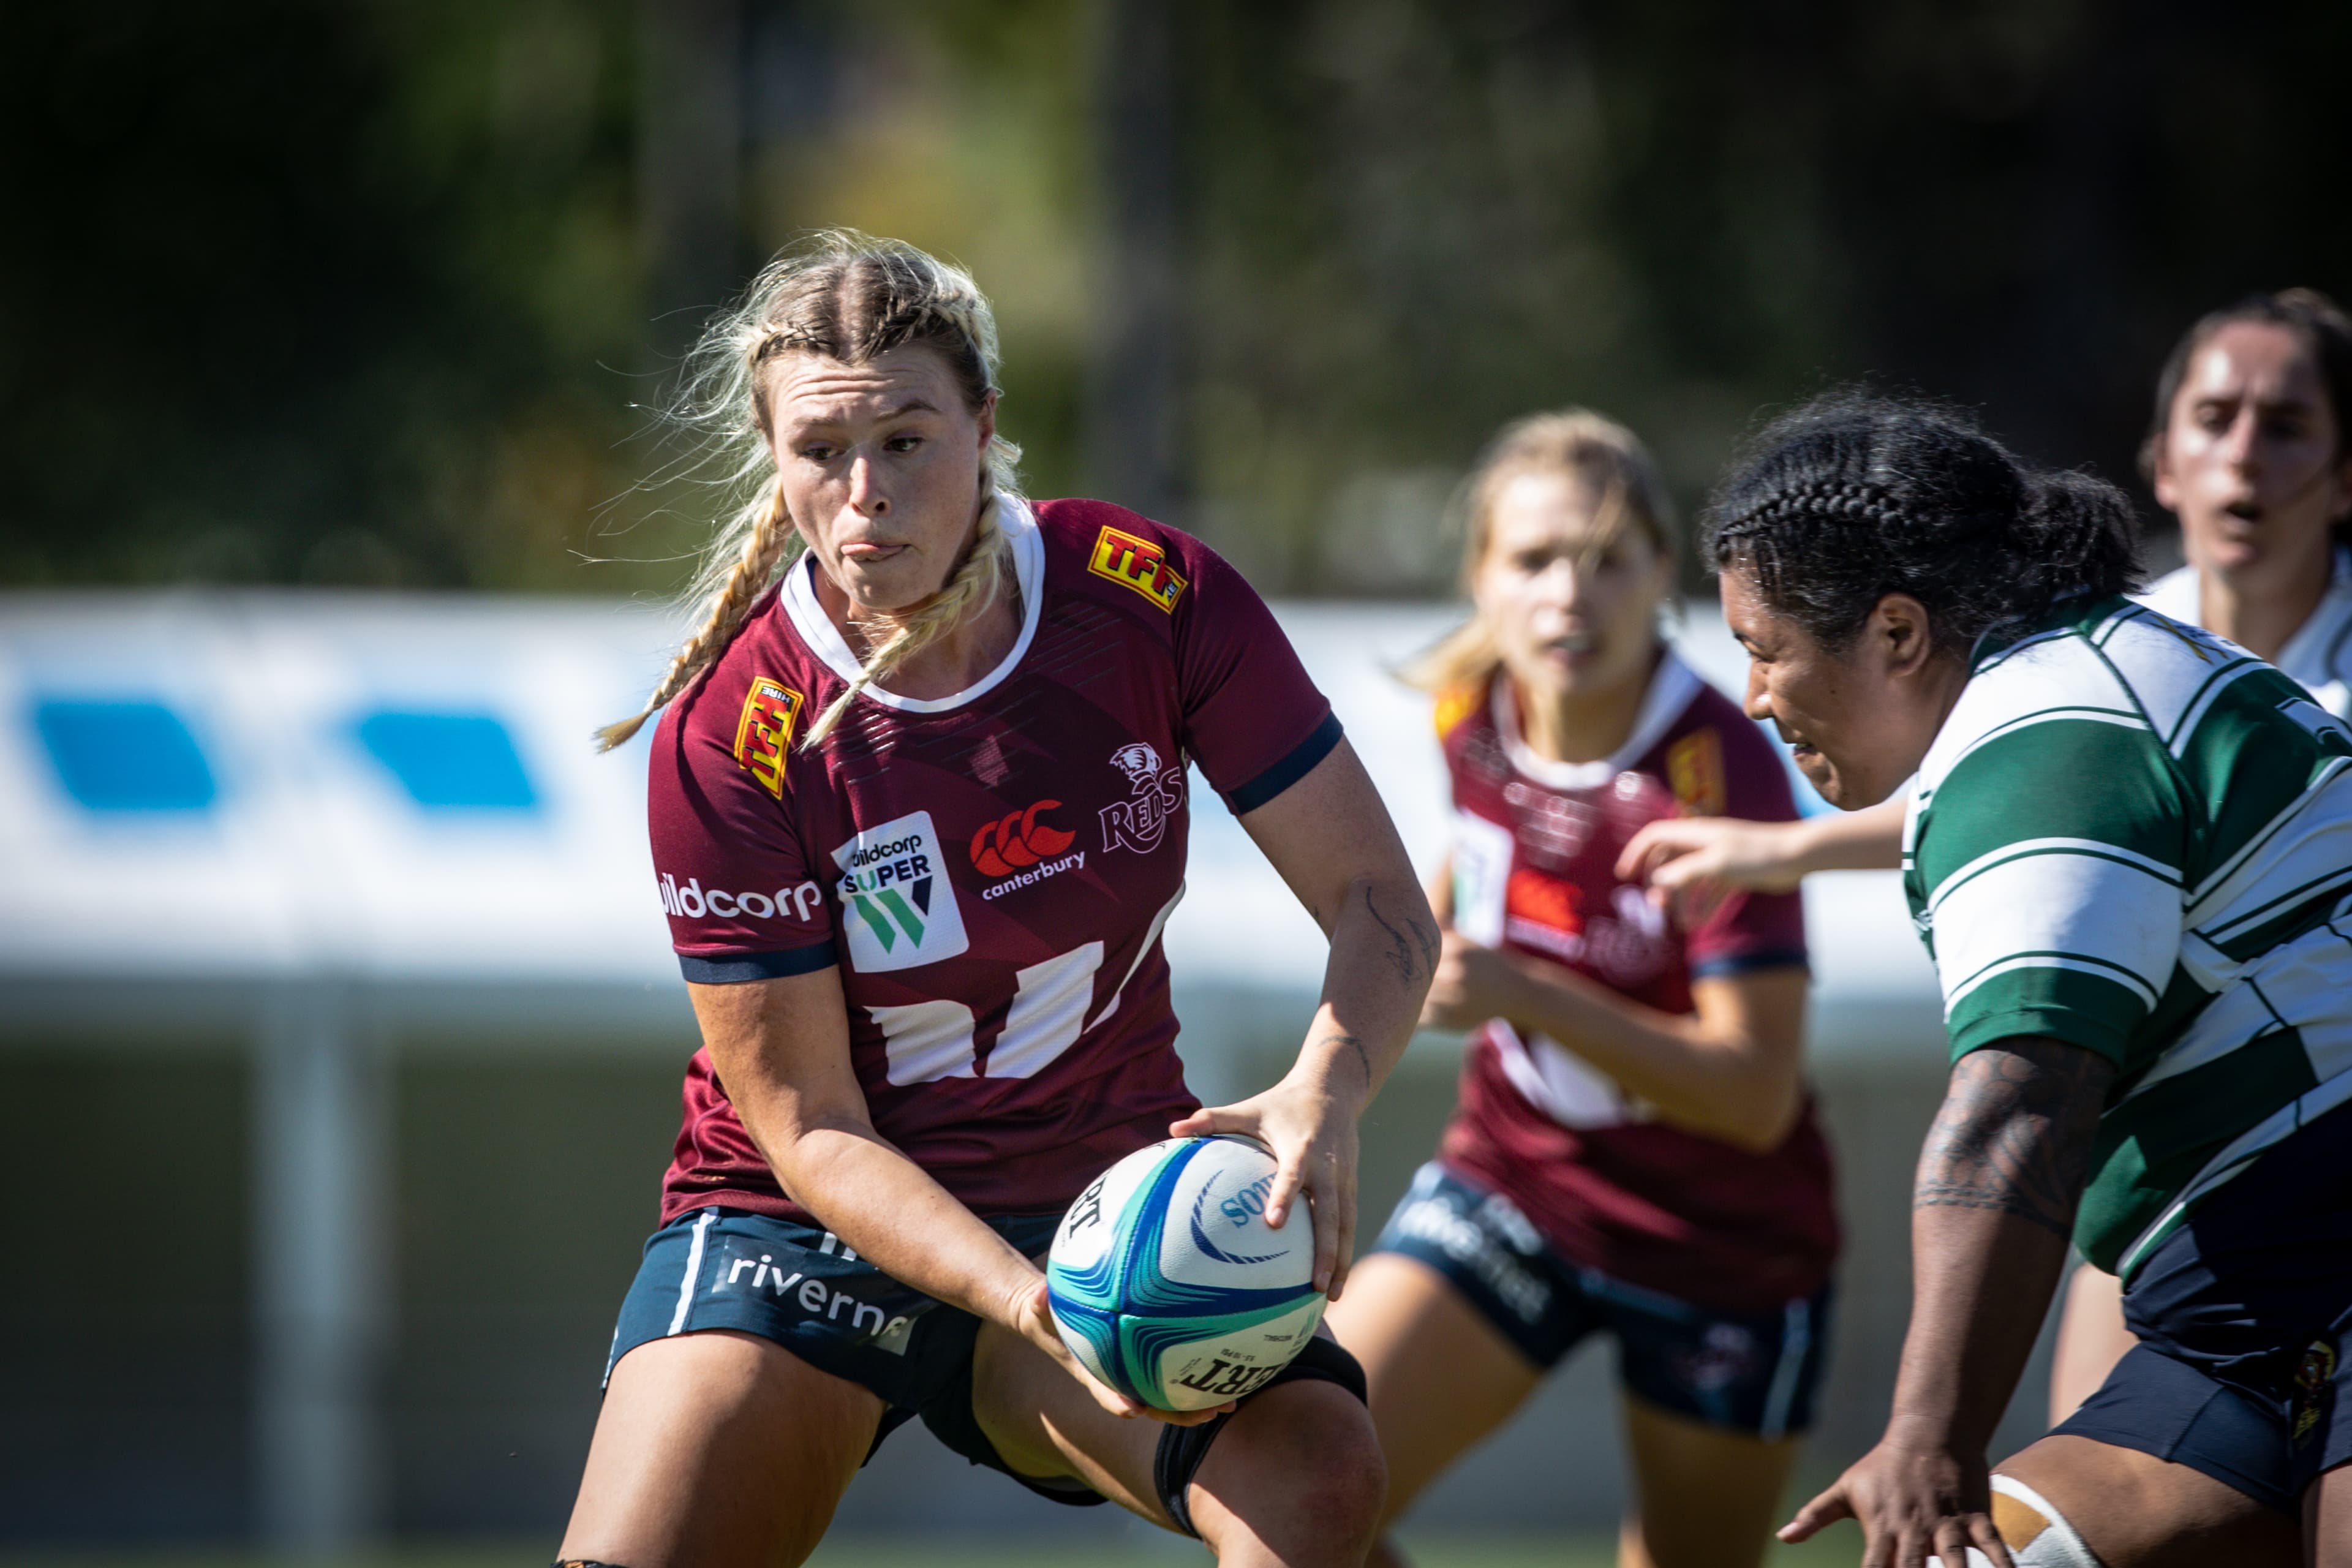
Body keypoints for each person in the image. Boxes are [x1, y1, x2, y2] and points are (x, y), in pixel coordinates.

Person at [555, 232, 1437, 1568]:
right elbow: (805, 1125)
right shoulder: (730, 736)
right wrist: (1034, 1302)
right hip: (806, 1234)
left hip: (1099, 1197)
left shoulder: (1147, 598)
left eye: (907, 439)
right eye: (821, 451)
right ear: (772, 454)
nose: (866, 495)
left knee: (1320, 1480)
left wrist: (1330, 1086)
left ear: (983, 424)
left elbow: (1381, 900)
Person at [1618, 292, 2352, 1561]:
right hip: (2249, 1286)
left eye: (1765, 649)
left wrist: (1931, 1431)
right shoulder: (2057, 690)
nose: (1750, 697)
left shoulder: (2044, 734)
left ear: (1898, 630)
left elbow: (2021, 1107)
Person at [1324, 412, 1837, 1568]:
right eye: (1537, 560)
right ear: (1482, 581)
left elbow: (1754, 1096)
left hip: (1723, 1244)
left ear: (1666, 574)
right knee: (1302, 1497)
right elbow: (1469, 886)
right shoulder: (1468, 711)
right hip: (1519, 1184)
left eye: (1608, 560)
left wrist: (1522, 988)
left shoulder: (1723, 769)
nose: (1571, 595)